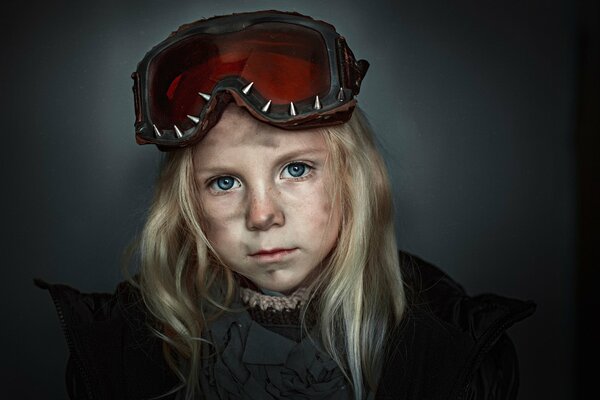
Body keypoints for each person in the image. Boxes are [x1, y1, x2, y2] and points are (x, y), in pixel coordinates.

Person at [37, 10, 535, 400]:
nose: (261, 215)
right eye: (225, 182)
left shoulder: (459, 349)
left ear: (352, 177)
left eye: (295, 169)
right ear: (187, 203)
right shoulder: (118, 350)